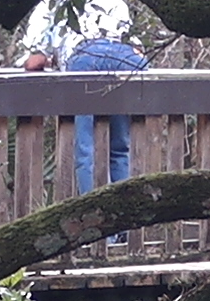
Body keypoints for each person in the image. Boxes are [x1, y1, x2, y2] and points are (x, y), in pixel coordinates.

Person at [59, 14, 152, 192]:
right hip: (124, 57)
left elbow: (35, 61)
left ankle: (87, 204)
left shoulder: (59, 7)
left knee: (85, 150)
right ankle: (122, 205)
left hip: (86, 57)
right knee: (120, 148)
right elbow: (137, 51)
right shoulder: (117, 1)